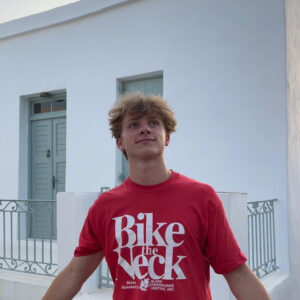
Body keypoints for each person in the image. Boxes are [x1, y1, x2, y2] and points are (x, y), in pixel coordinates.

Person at [42, 93, 270, 300]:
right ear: (119, 142)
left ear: (167, 137)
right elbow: (74, 274)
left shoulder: (202, 197)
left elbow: (238, 275)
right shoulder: (105, 207)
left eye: (153, 123)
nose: (145, 129)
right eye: (134, 125)